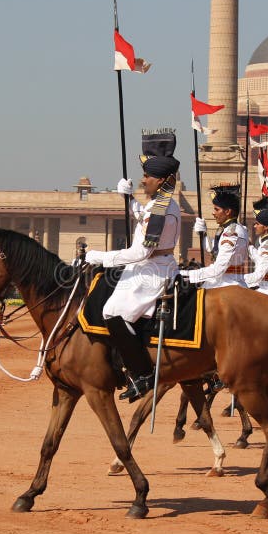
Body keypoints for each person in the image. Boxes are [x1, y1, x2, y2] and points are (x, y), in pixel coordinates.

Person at [84, 131, 181, 403]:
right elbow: (143, 218)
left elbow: (141, 251)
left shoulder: (161, 209)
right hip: (150, 266)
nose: (143, 180)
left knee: (112, 311)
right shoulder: (159, 204)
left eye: (148, 177)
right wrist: (129, 200)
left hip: (152, 269)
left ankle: (142, 372)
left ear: (161, 180)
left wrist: (100, 257)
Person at [179, 184, 248, 289]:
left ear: (228, 211)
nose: (213, 213)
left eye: (216, 209)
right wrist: (203, 234)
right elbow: (215, 251)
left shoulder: (231, 233)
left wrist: (187, 274)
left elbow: (218, 269)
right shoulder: (231, 229)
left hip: (226, 284)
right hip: (225, 282)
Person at [244, 206, 268, 296]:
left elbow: (260, 274)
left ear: (265, 227)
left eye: (257, 224)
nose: (254, 226)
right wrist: (249, 246)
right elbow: (259, 260)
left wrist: (239, 279)